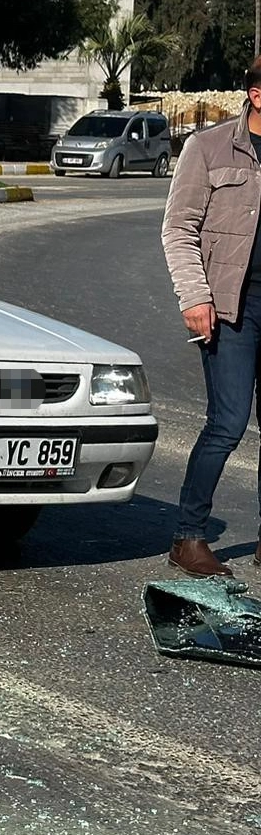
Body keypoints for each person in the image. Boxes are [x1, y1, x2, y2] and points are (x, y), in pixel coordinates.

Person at [160, 56, 261, 577]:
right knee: (227, 423)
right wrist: (194, 297)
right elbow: (178, 229)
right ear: (256, 94)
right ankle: (189, 536)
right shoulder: (209, 146)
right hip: (232, 308)